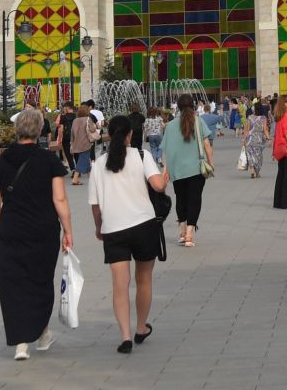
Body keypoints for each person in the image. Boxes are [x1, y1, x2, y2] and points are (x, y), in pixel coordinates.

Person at [0, 108, 72, 361]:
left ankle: (21, 343)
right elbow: (60, 198)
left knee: (12, 284)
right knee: (40, 281)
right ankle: (43, 333)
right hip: (43, 229)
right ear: (39, 130)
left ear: (17, 130)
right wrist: (68, 230)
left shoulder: (2, 161)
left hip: (11, 229)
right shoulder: (49, 160)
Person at [89, 114, 165, 356]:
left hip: (114, 229)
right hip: (144, 225)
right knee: (144, 279)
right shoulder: (142, 155)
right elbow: (158, 186)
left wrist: (99, 227)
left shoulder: (98, 165)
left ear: (109, 135)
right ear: (131, 134)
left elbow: (95, 204)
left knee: (119, 286)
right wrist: (167, 173)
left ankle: (124, 336)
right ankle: (141, 327)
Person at [162, 93, 214, 248]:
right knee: (194, 200)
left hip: (177, 170)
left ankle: (182, 232)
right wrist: (211, 163)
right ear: (193, 106)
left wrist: (166, 170)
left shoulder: (170, 126)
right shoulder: (198, 122)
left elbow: (167, 150)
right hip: (196, 169)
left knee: (181, 199)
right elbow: (206, 145)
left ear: (177, 107)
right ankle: (190, 235)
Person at [69, 103, 96, 186]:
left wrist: (72, 143)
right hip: (86, 143)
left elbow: (72, 133)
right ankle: (75, 179)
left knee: (86, 159)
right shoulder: (88, 119)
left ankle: (91, 178)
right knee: (82, 159)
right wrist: (95, 126)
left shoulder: (75, 120)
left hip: (77, 143)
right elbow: (92, 129)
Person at [243, 100, 270, 181]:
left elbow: (247, 130)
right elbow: (265, 129)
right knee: (258, 156)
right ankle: (257, 172)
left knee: (250, 155)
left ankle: (252, 170)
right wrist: (269, 138)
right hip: (259, 140)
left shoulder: (249, 117)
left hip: (250, 139)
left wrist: (244, 139)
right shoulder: (263, 118)